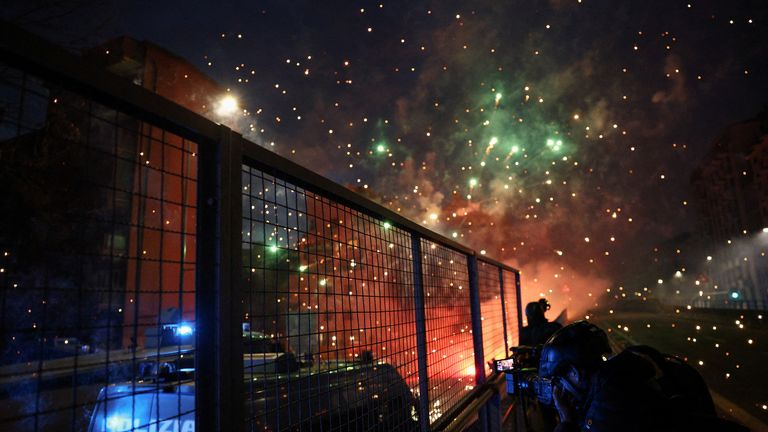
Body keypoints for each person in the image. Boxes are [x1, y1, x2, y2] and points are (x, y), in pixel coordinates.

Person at [538, 321, 747, 432]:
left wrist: (566, 421)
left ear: (574, 371)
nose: (559, 389)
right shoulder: (623, 376)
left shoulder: (607, 405)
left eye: (560, 380)